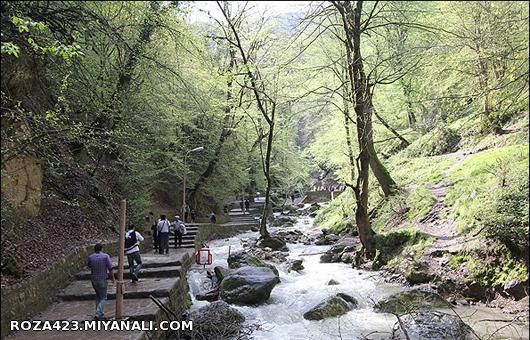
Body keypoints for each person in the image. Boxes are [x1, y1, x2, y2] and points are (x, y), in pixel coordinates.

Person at [87, 243, 115, 320]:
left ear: (94, 249)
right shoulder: (105, 256)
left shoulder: (90, 257)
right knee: (104, 297)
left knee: (98, 296)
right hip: (102, 279)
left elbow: (89, 266)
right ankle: (98, 313)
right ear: (101, 249)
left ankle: (100, 314)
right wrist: (113, 278)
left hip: (93, 280)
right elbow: (110, 268)